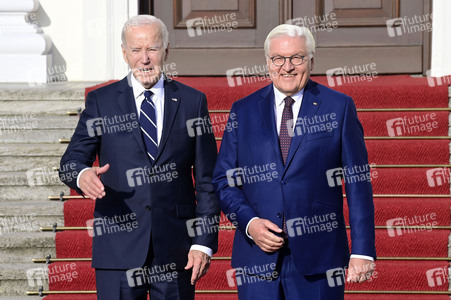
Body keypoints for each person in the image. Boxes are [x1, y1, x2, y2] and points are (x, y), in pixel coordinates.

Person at [59, 15, 219, 300]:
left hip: (176, 250)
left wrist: (203, 243)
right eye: (136, 50)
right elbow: (71, 161)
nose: (144, 59)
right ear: (124, 53)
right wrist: (82, 175)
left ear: (166, 51)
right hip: (117, 248)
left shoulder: (192, 101)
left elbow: (207, 179)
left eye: (152, 49)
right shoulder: (102, 101)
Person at [212, 24, 376, 299]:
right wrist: (250, 223)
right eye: (278, 58)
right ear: (267, 63)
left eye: (297, 58)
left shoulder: (339, 107)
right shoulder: (243, 110)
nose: (286, 67)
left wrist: (362, 250)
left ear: (311, 61)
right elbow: (223, 180)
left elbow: (358, 182)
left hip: (319, 262)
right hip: (257, 261)